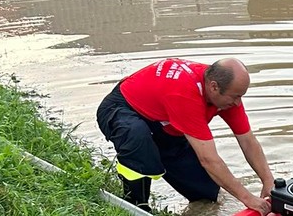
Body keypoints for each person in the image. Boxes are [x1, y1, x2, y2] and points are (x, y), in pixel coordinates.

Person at [97, 57, 273, 214]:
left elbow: (248, 141)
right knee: (139, 140)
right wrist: (248, 198)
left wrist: (268, 181)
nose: (238, 103)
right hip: (122, 110)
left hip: (164, 124)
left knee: (207, 194)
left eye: (241, 97)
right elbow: (209, 159)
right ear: (213, 87)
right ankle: (135, 204)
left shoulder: (226, 92)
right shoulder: (185, 93)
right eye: (235, 97)